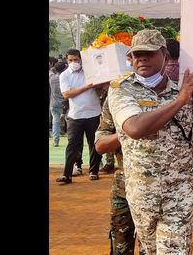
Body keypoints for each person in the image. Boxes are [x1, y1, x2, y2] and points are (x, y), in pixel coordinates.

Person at [107, 29, 193, 254]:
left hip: (179, 195)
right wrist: (179, 101)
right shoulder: (121, 89)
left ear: (165, 56)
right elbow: (135, 128)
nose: (142, 59)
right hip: (142, 194)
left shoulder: (185, 93)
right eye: (136, 55)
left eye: (149, 53)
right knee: (149, 251)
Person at [95, 93, 145, 255]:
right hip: (123, 190)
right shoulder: (116, 97)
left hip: (160, 193)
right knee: (121, 247)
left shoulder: (171, 96)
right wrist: (128, 131)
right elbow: (100, 145)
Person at [55, 49, 102, 184]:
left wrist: (100, 86)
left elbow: (99, 89)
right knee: (72, 145)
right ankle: (67, 174)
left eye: (76, 60)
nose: (73, 62)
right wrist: (86, 87)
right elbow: (66, 94)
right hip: (75, 115)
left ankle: (94, 171)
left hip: (93, 113)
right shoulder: (64, 75)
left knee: (94, 143)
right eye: (70, 60)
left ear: (81, 60)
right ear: (67, 61)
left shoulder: (91, 72)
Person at [49, 62, 67, 147]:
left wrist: (54, 68)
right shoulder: (65, 78)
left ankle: (56, 141)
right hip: (64, 105)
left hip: (53, 104)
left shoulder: (51, 77)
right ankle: (72, 140)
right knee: (71, 123)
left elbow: (51, 71)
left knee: (55, 122)